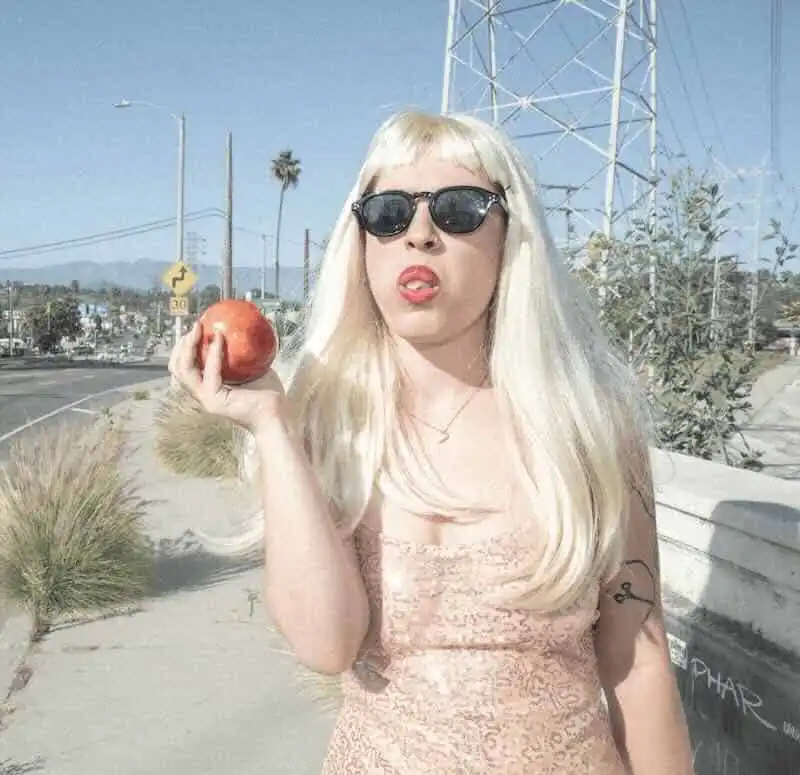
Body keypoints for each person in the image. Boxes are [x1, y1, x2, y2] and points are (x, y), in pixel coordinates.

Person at [169, 110, 694, 774]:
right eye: (388, 213)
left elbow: (637, 662)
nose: (419, 234)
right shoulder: (324, 424)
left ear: (511, 236)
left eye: (460, 209)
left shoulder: (590, 425)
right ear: (360, 245)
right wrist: (272, 426)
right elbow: (327, 642)